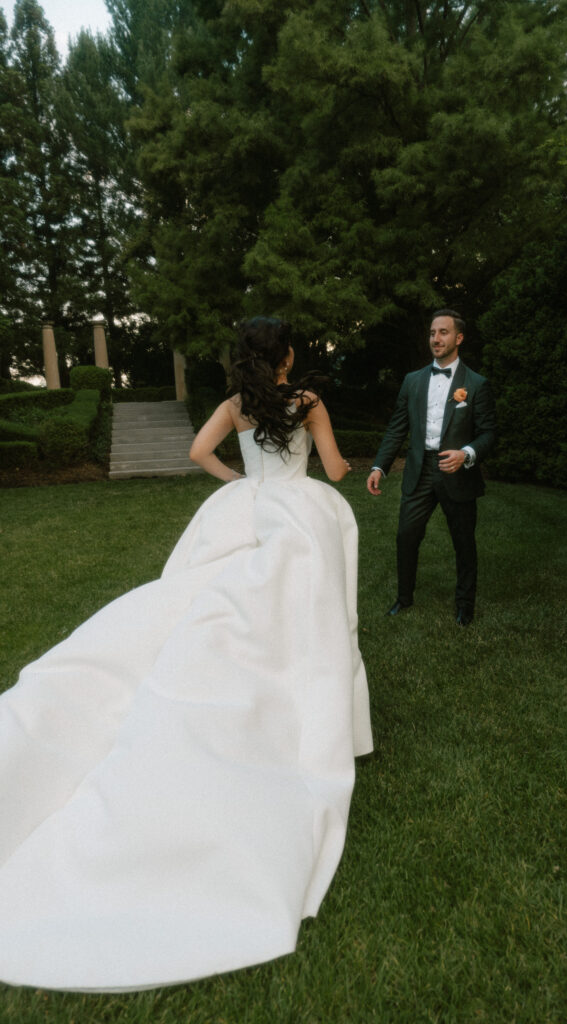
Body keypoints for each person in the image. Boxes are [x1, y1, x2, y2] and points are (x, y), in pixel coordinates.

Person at [0, 316, 372, 992]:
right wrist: (351, 471)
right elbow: (337, 468)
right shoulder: (308, 403)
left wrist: (242, 483)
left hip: (249, 506)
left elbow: (199, 453)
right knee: (305, 613)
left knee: (221, 599)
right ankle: (307, 707)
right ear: (287, 356)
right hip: (299, 512)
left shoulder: (236, 406)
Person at [367, 310, 496, 625]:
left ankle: (465, 606)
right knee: (406, 536)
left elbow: (489, 433)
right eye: (432, 333)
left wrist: (465, 454)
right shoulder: (413, 381)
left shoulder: (476, 384)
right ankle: (404, 598)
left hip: (458, 472)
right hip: (420, 470)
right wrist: (379, 466)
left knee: (463, 542)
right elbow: (397, 428)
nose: (436, 339)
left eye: (443, 333)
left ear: (458, 338)